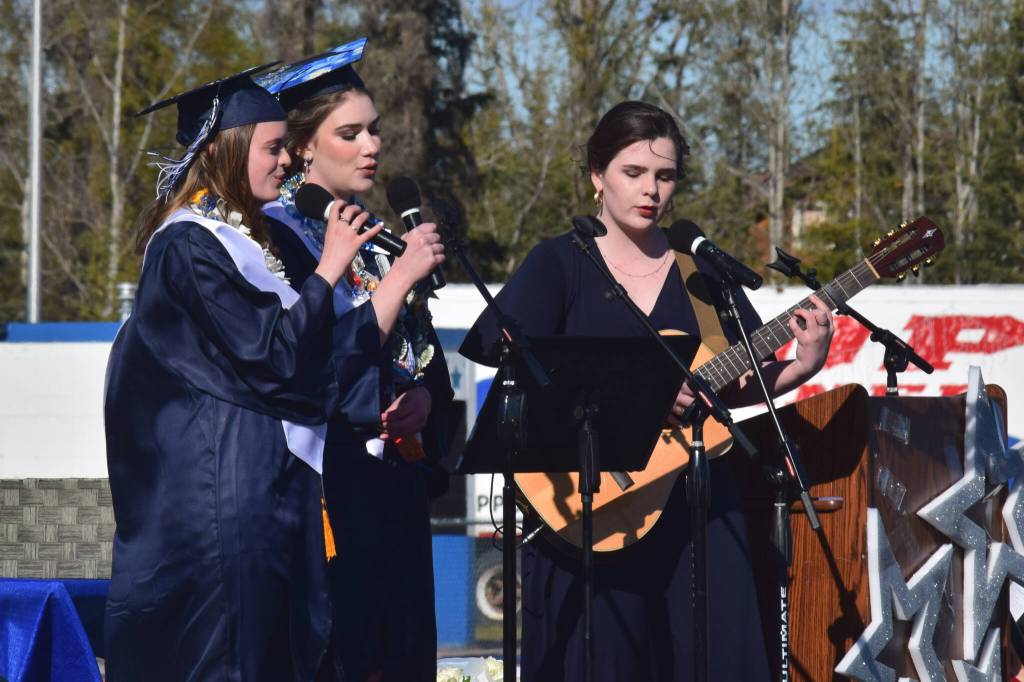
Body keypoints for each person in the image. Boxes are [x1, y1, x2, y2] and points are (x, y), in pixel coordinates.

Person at [460, 101, 835, 681]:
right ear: (596, 176)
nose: (651, 191)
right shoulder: (561, 262)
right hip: (593, 508)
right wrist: (638, 394)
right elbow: (505, 356)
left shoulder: (702, 271)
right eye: (633, 173)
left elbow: (730, 390)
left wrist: (801, 367)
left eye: (664, 176)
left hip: (703, 510)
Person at [103, 64, 439, 681]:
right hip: (216, 508)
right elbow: (278, 355)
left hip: (266, 498)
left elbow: (319, 361)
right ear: (229, 149)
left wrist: (402, 390)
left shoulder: (243, 243)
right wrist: (331, 266)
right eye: (274, 147)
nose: (286, 162)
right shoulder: (188, 245)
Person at [259, 40, 453, 681]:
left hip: (394, 485)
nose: (372, 146)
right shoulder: (272, 238)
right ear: (304, 144)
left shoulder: (376, 234)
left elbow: (418, 357)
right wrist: (398, 281)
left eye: (374, 130)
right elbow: (304, 364)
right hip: (327, 491)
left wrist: (426, 401)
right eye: (351, 133)